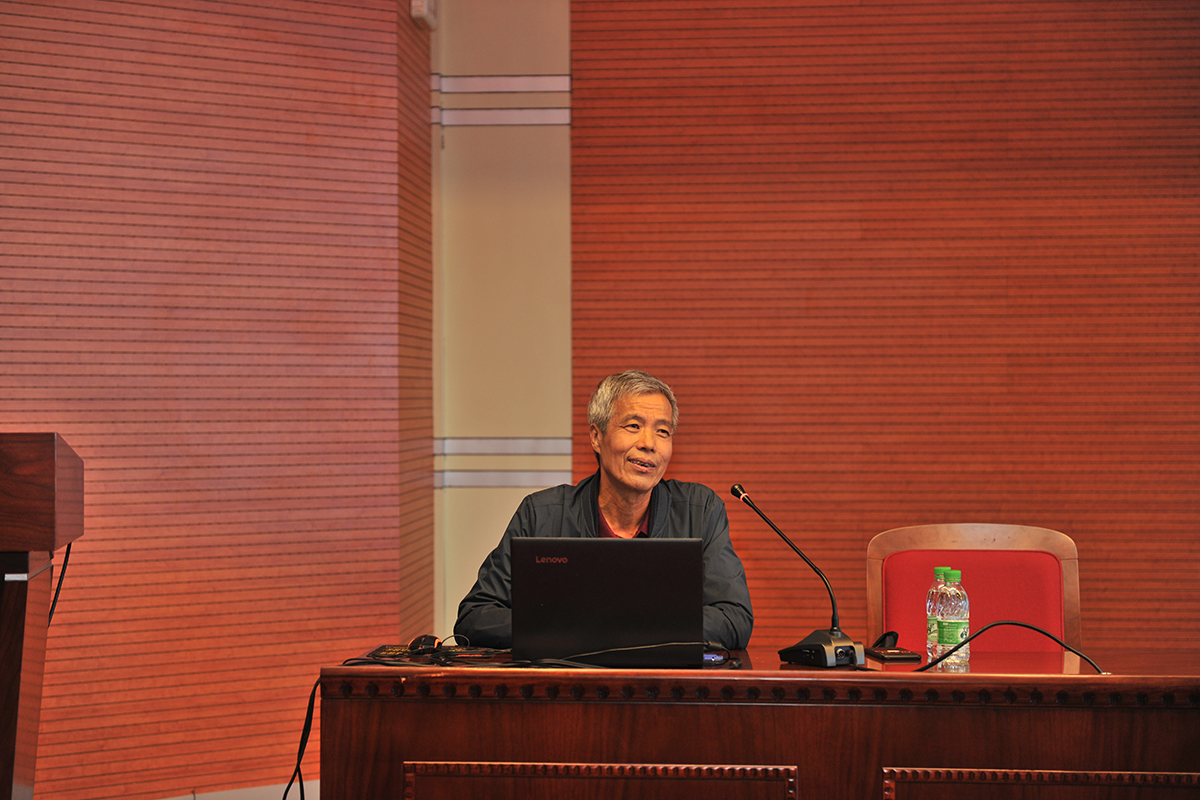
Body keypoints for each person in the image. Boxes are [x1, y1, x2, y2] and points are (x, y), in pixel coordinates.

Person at [454, 369, 753, 651]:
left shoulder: (699, 512)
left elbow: (734, 618)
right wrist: (587, 629)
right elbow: (476, 617)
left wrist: (616, 627)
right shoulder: (542, 514)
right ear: (597, 437)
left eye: (663, 431)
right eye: (633, 426)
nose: (649, 443)